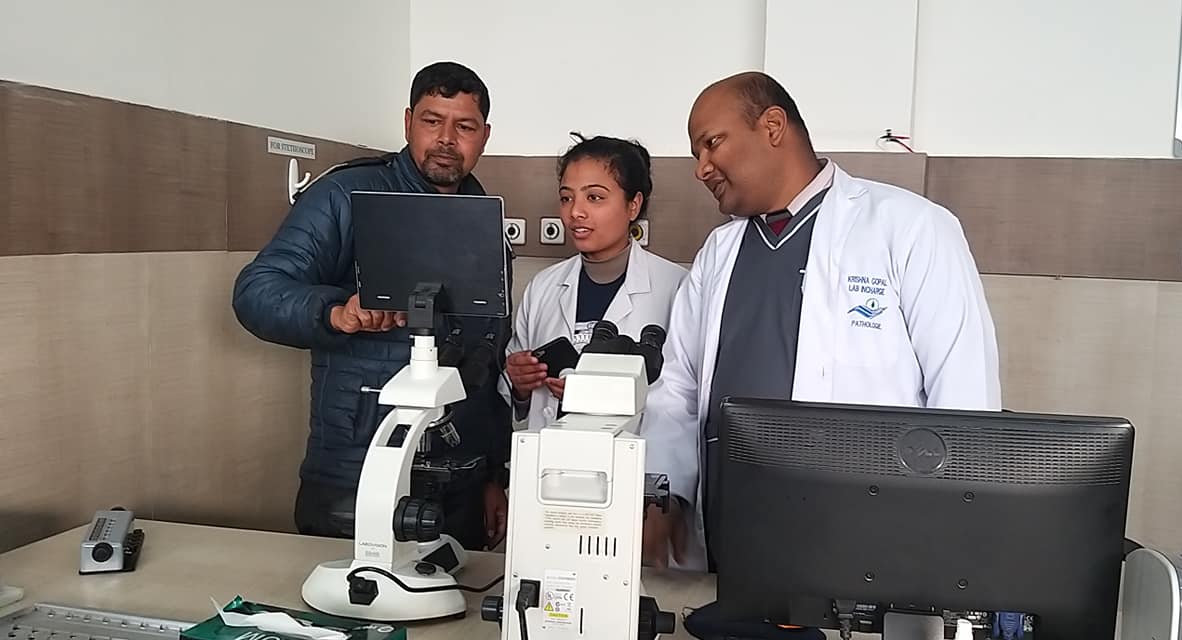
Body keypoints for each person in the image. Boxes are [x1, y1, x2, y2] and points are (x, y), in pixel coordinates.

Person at [638, 72, 1001, 572]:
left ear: (772, 126)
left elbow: (965, 394)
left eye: (711, 143)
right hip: (732, 536)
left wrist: (949, 542)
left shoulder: (911, 227)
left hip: (872, 540)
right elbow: (680, 388)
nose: (701, 169)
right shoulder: (719, 253)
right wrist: (664, 495)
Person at [231, 61, 513, 551]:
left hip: (459, 484)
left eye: (464, 127)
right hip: (357, 472)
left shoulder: (483, 217)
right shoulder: (346, 196)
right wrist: (335, 313)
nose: (447, 139)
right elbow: (255, 292)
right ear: (407, 122)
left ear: (484, 136)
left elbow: (486, 359)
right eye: (432, 121)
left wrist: (492, 473)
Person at [503, 133, 688, 430]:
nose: (575, 212)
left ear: (633, 205)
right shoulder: (543, 287)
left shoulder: (677, 288)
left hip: (632, 453)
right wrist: (519, 384)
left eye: (594, 197)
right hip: (548, 454)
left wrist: (596, 394)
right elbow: (514, 398)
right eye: (566, 198)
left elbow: (683, 398)